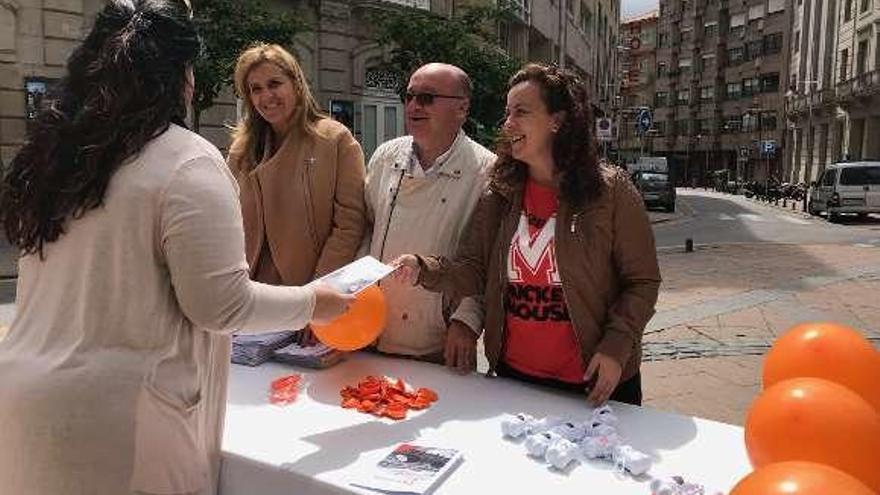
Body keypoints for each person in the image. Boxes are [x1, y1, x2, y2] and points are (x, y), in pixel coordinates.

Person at [0, 2, 352, 494]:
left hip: (24, 404)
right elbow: (221, 305)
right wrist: (317, 303)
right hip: (123, 427)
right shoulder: (187, 161)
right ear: (183, 79)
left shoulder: (60, 158)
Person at [394, 63, 661, 406]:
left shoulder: (610, 191)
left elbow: (642, 281)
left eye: (521, 112)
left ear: (558, 121)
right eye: (507, 113)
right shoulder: (500, 192)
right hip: (513, 378)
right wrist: (422, 268)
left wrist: (616, 347)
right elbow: (473, 269)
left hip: (594, 382)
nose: (508, 124)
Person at [227, 43, 366, 343]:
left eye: (275, 83)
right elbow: (229, 224)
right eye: (255, 89)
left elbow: (349, 225)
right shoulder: (241, 150)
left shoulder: (335, 140)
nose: (266, 96)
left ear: (297, 83)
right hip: (253, 303)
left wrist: (316, 299)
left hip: (309, 297)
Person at [362, 63, 495, 372]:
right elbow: (366, 229)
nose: (414, 106)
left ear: (462, 108)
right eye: (409, 96)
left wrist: (467, 321)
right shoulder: (384, 156)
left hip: (437, 341)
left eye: (427, 97)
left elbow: (487, 260)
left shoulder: (486, 170)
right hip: (370, 329)